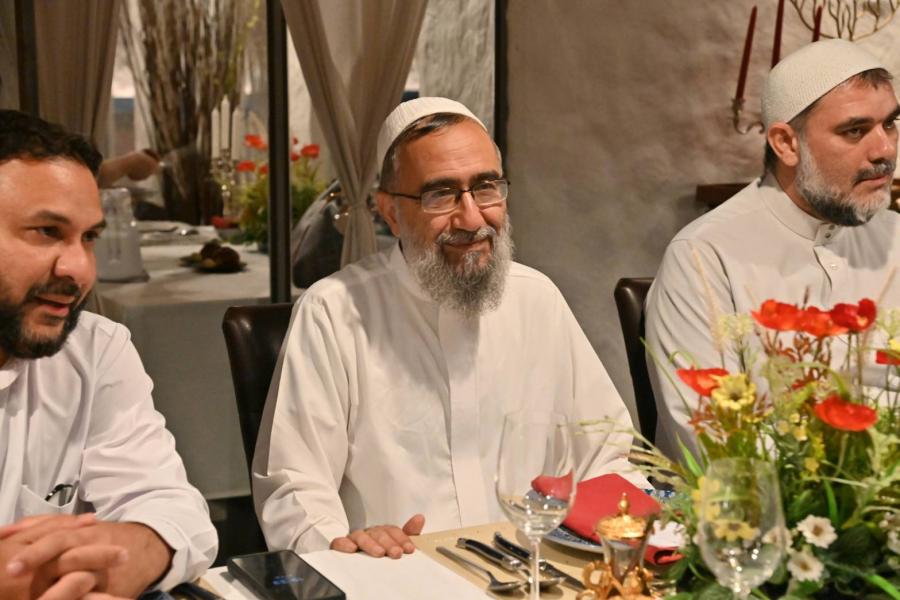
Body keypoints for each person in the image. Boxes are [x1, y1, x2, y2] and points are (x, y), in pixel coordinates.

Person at [253, 97, 644, 559]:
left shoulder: (536, 299)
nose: (472, 218)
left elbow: (609, 454)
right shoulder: (333, 314)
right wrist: (345, 545)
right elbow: (293, 490)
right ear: (390, 212)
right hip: (397, 576)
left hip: (533, 573)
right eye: (440, 195)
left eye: (486, 188)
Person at [646, 40, 900, 460]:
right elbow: (721, 445)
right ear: (786, 143)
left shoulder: (895, 236)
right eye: (855, 130)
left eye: (890, 123)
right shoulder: (704, 257)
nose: (885, 150)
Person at [0, 110, 217, 598]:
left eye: (89, 238)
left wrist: (129, 552)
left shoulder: (94, 349)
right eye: (47, 231)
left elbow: (171, 506)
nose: (79, 270)